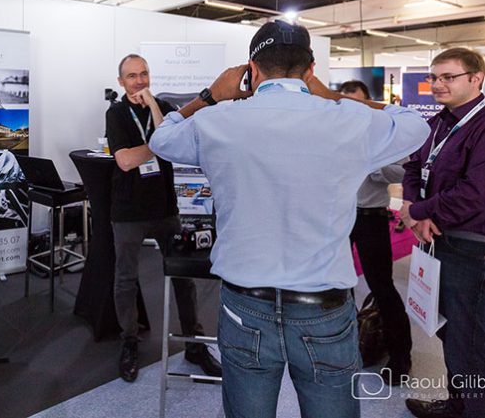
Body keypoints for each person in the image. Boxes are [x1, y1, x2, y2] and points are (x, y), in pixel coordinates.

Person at [149, 20, 430, 418]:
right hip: (324, 308)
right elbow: (416, 123)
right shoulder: (349, 121)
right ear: (310, 68)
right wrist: (333, 97)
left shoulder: (217, 121)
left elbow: (161, 140)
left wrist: (210, 97)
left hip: (245, 304)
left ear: (251, 70)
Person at [105, 53, 221, 382]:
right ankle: (129, 341)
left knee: (183, 279)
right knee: (125, 279)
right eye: (131, 76)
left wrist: (156, 111)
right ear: (121, 81)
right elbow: (126, 161)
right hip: (127, 211)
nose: (139, 81)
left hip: (165, 209)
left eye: (143, 74)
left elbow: (176, 140)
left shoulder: (166, 109)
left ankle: (195, 345)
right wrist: (161, 144)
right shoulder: (115, 113)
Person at [400, 48, 485, 418]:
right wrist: (414, 212)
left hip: (474, 250)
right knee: (452, 333)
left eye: (447, 77)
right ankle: (459, 403)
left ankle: (471, 409)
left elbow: (475, 193)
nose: (436, 84)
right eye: (433, 77)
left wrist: (417, 211)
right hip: (441, 242)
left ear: (475, 78)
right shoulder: (438, 123)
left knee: (471, 340)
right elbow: (413, 166)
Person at [339, 80, 412, 383]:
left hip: (370, 218)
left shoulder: (383, 135)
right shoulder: (332, 133)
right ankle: (343, 351)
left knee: (382, 287)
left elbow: (404, 171)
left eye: (357, 103)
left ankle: (400, 357)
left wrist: (373, 165)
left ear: (369, 104)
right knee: (335, 287)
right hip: (336, 220)